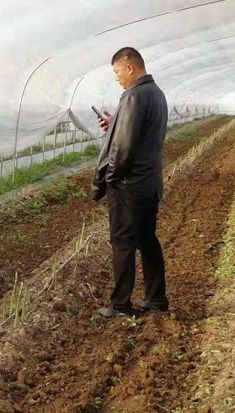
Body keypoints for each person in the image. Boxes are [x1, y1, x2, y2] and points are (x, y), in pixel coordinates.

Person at [92, 47, 169, 317]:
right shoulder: (156, 93)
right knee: (147, 239)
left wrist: (110, 179)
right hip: (149, 183)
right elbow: (139, 133)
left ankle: (121, 305)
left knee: (122, 242)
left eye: (116, 72)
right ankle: (157, 300)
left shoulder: (133, 95)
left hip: (129, 186)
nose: (116, 78)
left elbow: (123, 148)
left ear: (130, 68)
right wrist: (115, 124)